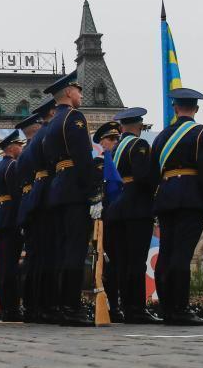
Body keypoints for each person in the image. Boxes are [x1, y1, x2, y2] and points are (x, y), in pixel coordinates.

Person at [148, 88, 203, 325]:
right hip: (190, 198)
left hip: (166, 197)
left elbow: (153, 174)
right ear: (196, 109)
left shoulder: (161, 137)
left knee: (167, 254)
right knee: (181, 255)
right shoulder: (201, 133)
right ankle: (180, 309)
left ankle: (167, 308)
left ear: (175, 108)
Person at [42, 71, 96, 326]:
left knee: (63, 250)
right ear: (67, 93)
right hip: (75, 189)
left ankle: (59, 305)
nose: (81, 95)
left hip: (58, 188)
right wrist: (94, 191)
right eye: (78, 90)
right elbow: (84, 157)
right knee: (75, 250)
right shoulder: (74, 118)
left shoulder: (51, 123)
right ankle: (72, 307)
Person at [107, 108, 161, 324]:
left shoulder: (116, 148)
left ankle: (127, 306)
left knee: (123, 261)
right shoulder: (139, 145)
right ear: (139, 126)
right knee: (137, 261)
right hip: (136, 207)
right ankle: (136, 309)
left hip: (117, 208)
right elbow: (143, 176)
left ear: (121, 127)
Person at [14, 96, 56, 323]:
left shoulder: (25, 153)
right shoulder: (42, 142)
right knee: (45, 257)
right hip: (43, 201)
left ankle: (32, 306)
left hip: (29, 204)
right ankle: (44, 305)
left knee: (33, 258)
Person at [0, 129, 26, 321]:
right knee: (11, 265)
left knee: (4, 265)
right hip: (12, 218)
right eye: (19, 146)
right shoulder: (13, 166)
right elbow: (18, 194)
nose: (21, 149)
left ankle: (4, 307)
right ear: (12, 148)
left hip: (2, 217)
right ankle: (11, 307)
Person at [92, 120, 123, 322]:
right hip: (101, 221)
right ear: (102, 142)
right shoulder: (99, 164)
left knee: (115, 265)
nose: (114, 142)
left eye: (116, 138)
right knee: (101, 265)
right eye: (111, 139)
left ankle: (115, 305)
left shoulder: (117, 161)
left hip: (116, 218)